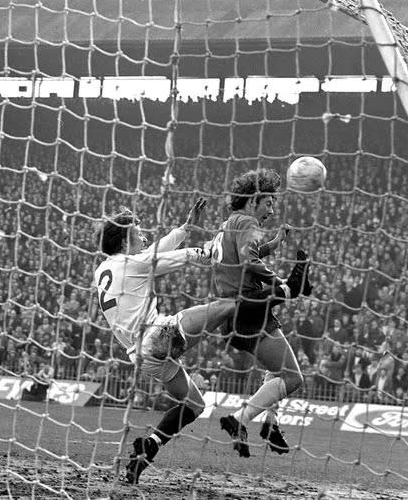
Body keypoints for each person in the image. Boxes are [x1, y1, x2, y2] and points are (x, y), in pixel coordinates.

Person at [93, 197, 235, 485]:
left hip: (140, 357)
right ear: (124, 240)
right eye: (137, 231)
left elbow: (154, 253)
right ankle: (283, 291)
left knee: (195, 405)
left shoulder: (104, 269)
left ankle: (147, 450)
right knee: (229, 304)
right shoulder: (132, 263)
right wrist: (210, 251)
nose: (143, 234)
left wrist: (185, 227)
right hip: (158, 337)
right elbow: (180, 257)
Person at [210, 169, 312, 457]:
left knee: (278, 369)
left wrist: (274, 244)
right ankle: (238, 420)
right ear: (254, 200)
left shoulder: (229, 223)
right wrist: (277, 281)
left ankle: (270, 423)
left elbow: (244, 255)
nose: (272, 209)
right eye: (269, 202)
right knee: (293, 378)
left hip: (236, 309)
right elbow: (248, 259)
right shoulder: (248, 222)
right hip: (248, 307)